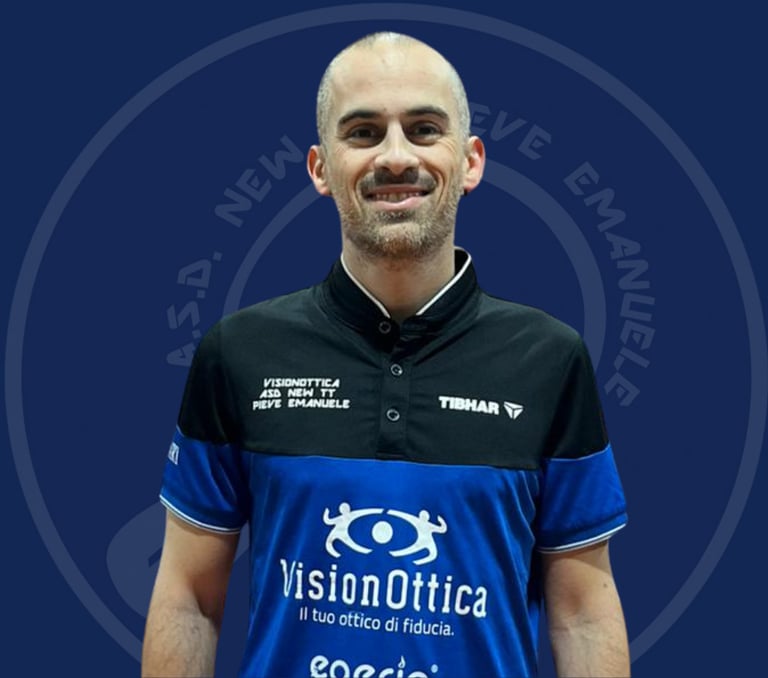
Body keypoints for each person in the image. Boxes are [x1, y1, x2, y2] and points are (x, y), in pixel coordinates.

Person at [142, 31, 631, 678]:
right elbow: (190, 599)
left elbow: (582, 615)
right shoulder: (237, 353)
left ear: (470, 161)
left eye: (424, 129)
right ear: (320, 168)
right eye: (363, 133)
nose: (396, 157)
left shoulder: (550, 359)